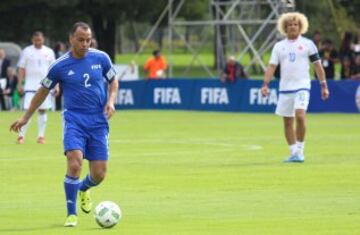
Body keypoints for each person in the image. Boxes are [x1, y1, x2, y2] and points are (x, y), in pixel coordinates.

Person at [10, 22, 119, 227]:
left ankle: (83, 189)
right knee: (74, 161)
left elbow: (113, 81)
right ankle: (71, 214)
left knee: (99, 173)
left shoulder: (101, 58)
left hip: (98, 121)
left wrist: (111, 100)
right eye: (80, 40)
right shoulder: (60, 65)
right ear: (71, 39)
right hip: (74, 120)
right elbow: (42, 92)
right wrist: (25, 117)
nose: (85, 43)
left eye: (88, 40)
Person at [261, 12, 329, 163]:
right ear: (285, 28)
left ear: (300, 27)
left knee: (300, 115)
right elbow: (272, 66)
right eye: (290, 25)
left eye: (295, 24)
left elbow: (317, 66)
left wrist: (323, 85)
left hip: (302, 86)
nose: (293, 27)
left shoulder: (308, 44)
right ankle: (294, 153)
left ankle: (300, 150)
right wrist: (265, 84)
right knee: (287, 122)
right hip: (285, 89)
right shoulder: (279, 46)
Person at [16, 31, 56, 144]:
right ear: (32, 40)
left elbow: (54, 70)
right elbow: (21, 68)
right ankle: (21, 136)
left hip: (45, 87)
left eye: (39, 40)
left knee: (42, 111)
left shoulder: (49, 52)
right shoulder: (27, 51)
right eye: (35, 40)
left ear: (43, 39)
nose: (38, 42)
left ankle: (41, 136)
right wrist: (20, 83)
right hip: (30, 86)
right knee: (28, 110)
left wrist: (56, 85)